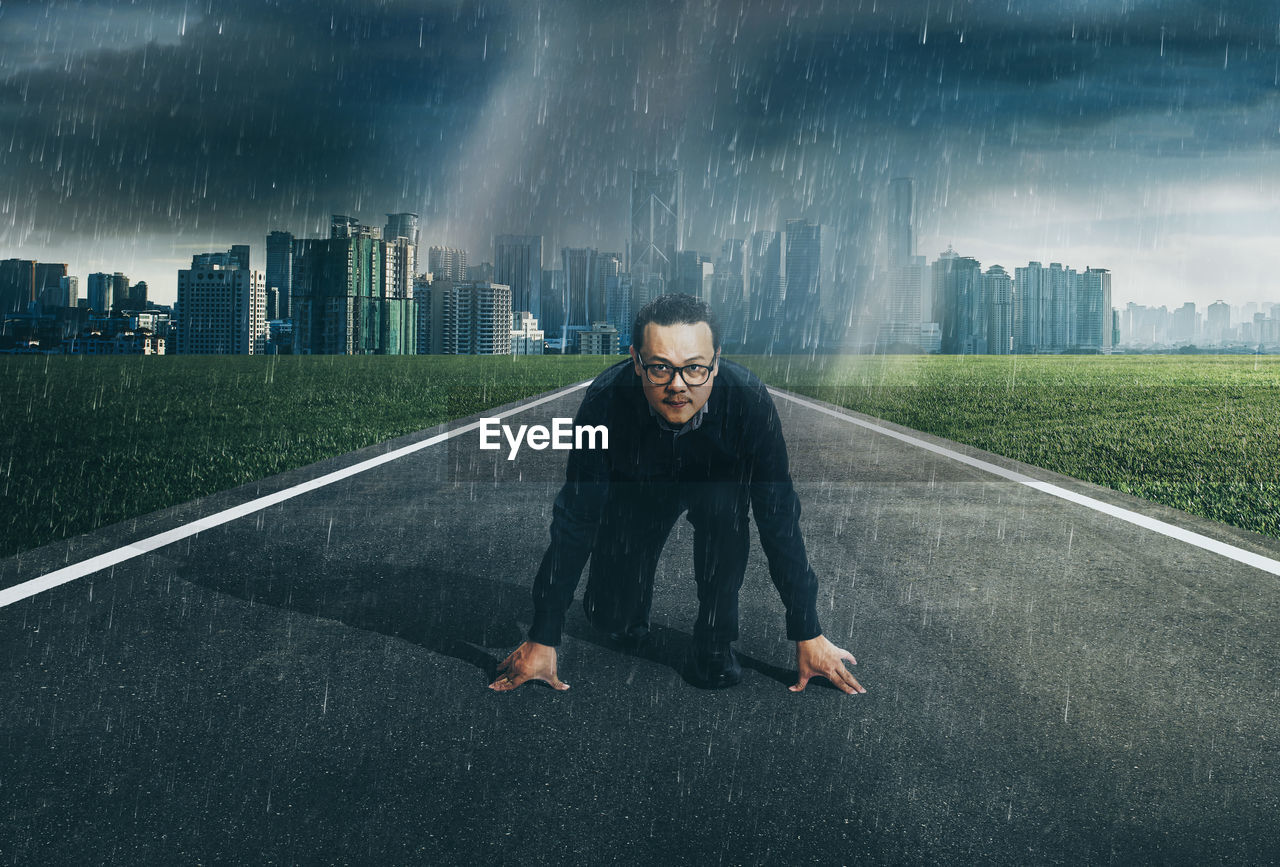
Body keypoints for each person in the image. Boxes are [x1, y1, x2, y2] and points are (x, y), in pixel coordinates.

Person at [489, 294, 864, 695]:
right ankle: (621, 614)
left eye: (695, 368)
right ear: (636, 361)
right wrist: (543, 635)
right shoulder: (605, 403)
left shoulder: (749, 402)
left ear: (716, 362)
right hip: (639, 489)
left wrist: (807, 630)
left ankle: (713, 643)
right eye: (660, 368)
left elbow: (779, 518)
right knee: (610, 623)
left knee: (725, 510)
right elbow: (576, 518)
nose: (677, 386)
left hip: (713, 486)